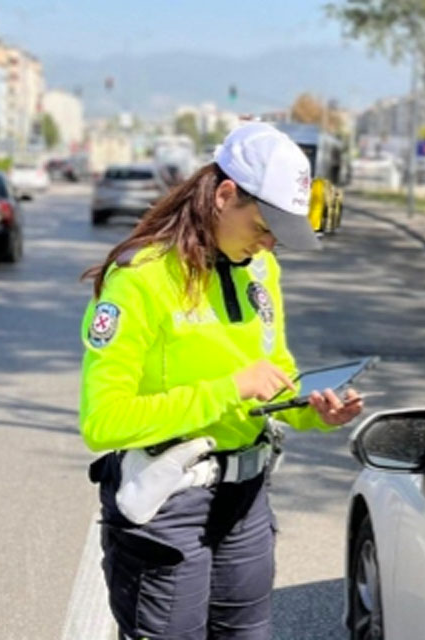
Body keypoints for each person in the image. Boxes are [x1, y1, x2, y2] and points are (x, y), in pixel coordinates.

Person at [79, 122, 364, 640]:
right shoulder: (141, 277)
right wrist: (229, 388)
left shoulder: (260, 269)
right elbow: (103, 421)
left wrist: (309, 408)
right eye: (263, 225)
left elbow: (272, 372)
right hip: (168, 505)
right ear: (225, 195)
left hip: (246, 499)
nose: (270, 242)